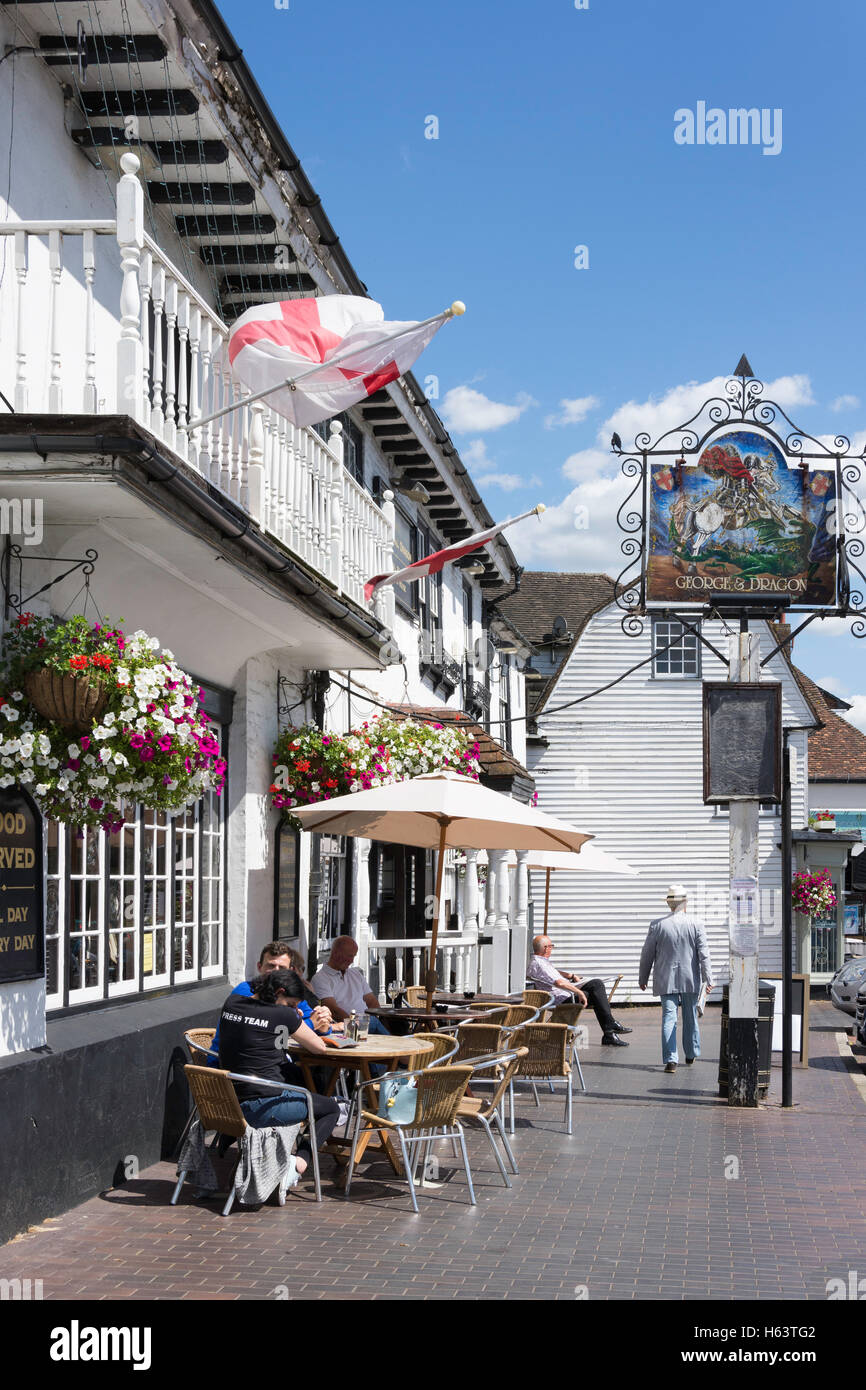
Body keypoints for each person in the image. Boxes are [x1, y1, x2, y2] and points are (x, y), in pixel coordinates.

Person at [217, 968, 342, 1175]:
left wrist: (288, 1016)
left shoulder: (232, 1002)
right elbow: (318, 1047)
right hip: (261, 1106)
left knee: (294, 1075)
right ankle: (297, 1166)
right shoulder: (283, 1015)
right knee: (330, 1108)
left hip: (228, 1102)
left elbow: (269, 1039)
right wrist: (293, 1018)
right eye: (291, 1003)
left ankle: (230, 1136)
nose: (292, 1008)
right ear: (279, 992)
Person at [209, 940, 335, 1064]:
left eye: (282, 968)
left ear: (290, 971)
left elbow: (316, 1023)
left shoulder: (289, 995)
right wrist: (310, 1023)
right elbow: (268, 1027)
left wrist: (323, 1024)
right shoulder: (246, 991)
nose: (276, 971)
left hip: (262, 1066)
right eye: (271, 966)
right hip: (232, 1068)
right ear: (259, 967)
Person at [639, 883, 714, 1073]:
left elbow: (647, 953)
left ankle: (671, 1060)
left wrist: (643, 976)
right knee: (690, 1017)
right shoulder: (696, 924)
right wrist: (709, 979)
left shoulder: (657, 925)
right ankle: (691, 1053)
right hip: (690, 978)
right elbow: (704, 954)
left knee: (668, 1018)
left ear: (669, 904)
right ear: (685, 903)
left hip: (666, 977)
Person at [526, 935, 632, 1046]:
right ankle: (610, 1030)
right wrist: (579, 992)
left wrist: (571, 975)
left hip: (564, 994)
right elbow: (559, 983)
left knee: (596, 986)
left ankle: (610, 1031)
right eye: (551, 946)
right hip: (562, 1000)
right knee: (596, 990)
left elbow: (553, 973)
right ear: (546, 948)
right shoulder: (540, 963)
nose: (552, 949)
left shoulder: (540, 961)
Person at [311, 936, 390, 1034]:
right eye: (349, 956)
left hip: (365, 1022)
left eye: (354, 956)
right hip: (344, 1027)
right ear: (336, 954)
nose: (352, 960)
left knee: (383, 1022)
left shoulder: (355, 973)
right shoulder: (320, 978)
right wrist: (353, 1023)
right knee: (375, 1023)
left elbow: (372, 1001)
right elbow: (333, 1010)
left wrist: (382, 1019)